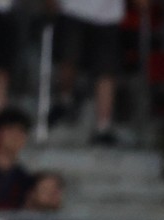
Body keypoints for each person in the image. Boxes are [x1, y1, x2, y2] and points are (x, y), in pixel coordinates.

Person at [54, 0, 127, 146]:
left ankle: (103, 128)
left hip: (108, 16)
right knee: (68, 59)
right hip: (73, 9)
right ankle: (65, 101)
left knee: (106, 72)